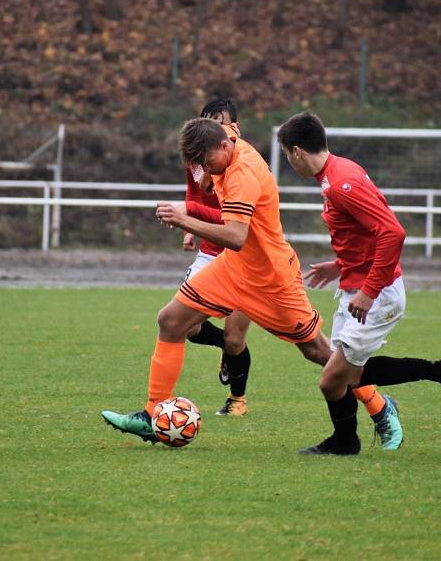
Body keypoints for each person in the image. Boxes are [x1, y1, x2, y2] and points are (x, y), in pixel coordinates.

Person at [101, 117, 403, 450]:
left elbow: (236, 236)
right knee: (170, 321)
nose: (204, 168)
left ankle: (379, 406)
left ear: (224, 146)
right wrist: (198, 176)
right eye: (197, 163)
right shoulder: (224, 142)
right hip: (234, 269)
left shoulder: (243, 174)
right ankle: (151, 412)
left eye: (206, 161)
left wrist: (185, 218)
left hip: (271, 279)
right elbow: (209, 162)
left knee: (319, 352)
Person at [277, 111, 441, 455]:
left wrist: (369, 291)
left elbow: (393, 233)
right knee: (344, 375)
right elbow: (366, 232)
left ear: (296, 151)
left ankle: (347, 440)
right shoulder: (336, 173)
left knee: (331, 379)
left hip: (375, 294)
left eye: (288, 157)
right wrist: (340, 265)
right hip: (356, 284)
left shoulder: (341, 184)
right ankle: (440, 373)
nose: (290, 164)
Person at [182, 98, 252, 417]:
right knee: (185, 326)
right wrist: (190, 230)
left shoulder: (242, 166)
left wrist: (188, 215)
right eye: (209, 121)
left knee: (236, 337)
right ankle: (223, 346)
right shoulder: (195, 160)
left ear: (232, 129)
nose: (214, 128)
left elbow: (229, 218)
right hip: (209, 254)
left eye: (221, 122)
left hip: (246, 259)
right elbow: (193, 195)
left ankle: (238, 400)